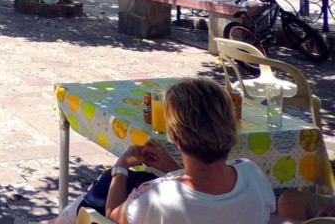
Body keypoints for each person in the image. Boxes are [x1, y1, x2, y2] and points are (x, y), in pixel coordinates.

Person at [48, 77, 275, 224]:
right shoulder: (252, 174)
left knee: (100, 191)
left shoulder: (156, 197)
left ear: (174, 136)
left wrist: (121, 168)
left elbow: (113, 214)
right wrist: (171, 168)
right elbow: (207, 196)